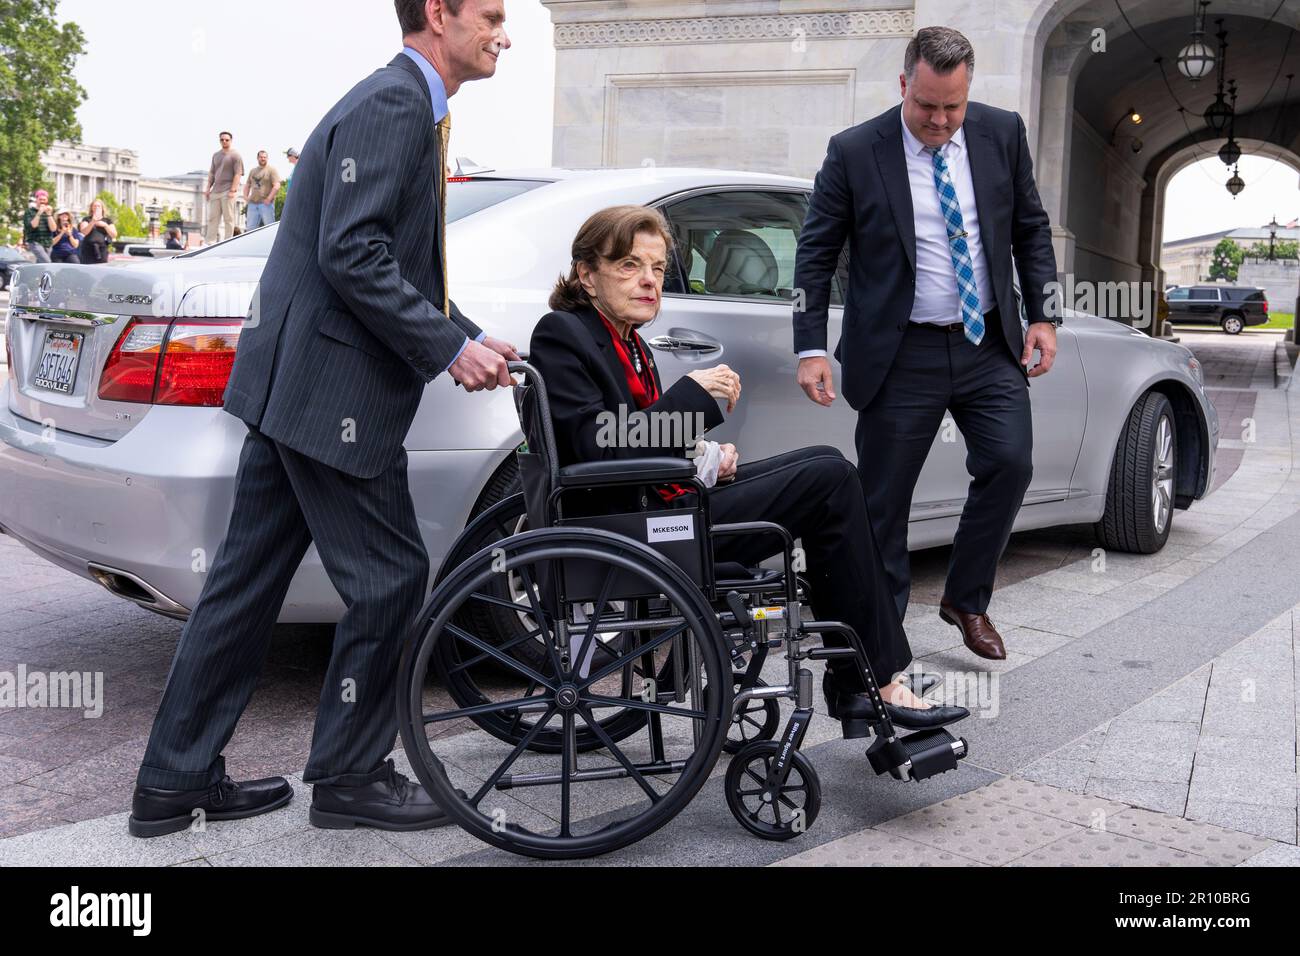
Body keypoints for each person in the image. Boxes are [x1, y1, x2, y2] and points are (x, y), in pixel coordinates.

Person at [129, 0, 516, 839]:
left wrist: (469, 331)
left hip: (297, 391)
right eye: (489, 13)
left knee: (241, 590)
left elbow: (381, 253)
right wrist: (447, 350)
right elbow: (354, 252)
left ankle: (172, 782)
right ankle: (348, 775)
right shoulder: (395, 104)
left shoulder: (392, 101)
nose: (504, 32)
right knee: (391, 579)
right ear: (439, 12)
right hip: (335, 398)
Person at [529, 205, 968, 736]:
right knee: (828, 483)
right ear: (586, 274)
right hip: (635, 531)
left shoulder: (628, 340)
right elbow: (598, 445)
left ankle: (864, 678)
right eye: (628, 265)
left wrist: (706, 457)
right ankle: (869, 680)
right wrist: (695, 397)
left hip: (661, 509)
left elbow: (634, 437)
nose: (648, 280)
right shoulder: (563, 333)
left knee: (829, 465)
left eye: (657, 268)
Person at [793, 26, 1060, 662]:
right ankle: (884, 648)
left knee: (1010, 463)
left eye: (953, 107)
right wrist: (809, 347)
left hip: (986, 342)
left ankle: (966, 597)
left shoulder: (1002, 132)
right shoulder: (856, 151)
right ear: (903, 84)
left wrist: (1044, 317)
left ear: (969, 91)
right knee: (883, 504)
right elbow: (815, 254)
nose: (940, 121)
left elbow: (1031, 228)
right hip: (898, 353)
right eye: (927, 106)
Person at [204, 131, 244, 244]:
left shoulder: (235, 155)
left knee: (228, 218)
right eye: (222, 140)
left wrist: (233, 190)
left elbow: (238, 173)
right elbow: (212, 173)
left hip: (228, 190)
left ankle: (228, 242)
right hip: (215, 191)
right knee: (213, 218)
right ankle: (209, 242)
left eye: (227, 140)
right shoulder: (216, 155)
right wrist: (208, 189)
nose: (224, 141)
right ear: (219, 140)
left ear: (231, 141)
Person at [244, 150, 281, 229]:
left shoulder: (271, 170)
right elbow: (247, 184)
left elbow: (277, 185)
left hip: (266, 205)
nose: (263, 159)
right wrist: (245, 197)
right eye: (261, 157)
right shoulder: (253, 171)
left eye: (265, 157)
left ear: (267, 158)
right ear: (257, 158)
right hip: (252, 204)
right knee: (250, 229)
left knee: (269, 228)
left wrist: (269, 198)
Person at [77, 198, 117, 264]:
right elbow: (84, 232)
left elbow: (114, 234)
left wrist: (105, 226)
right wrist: (93, 221)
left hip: (102, 249)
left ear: (102, 208)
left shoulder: (107, 221)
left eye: (98, 206)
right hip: (88, 249)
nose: (97, 208)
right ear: (92, 208)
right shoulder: (86, 219)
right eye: (95, 206)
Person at [23, 190, 56, 263]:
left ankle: (35, 274)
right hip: (35, 241)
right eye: (40, 199)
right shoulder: (29, 211)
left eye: (44, 199)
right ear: (36, 200)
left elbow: (53, 229)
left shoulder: (49, 212)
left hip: (48, 242)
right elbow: (33, 225)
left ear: (47, 200)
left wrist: (49, 214)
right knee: (47, 262)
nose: (42, 201)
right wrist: (39, 212)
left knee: (41, 266)